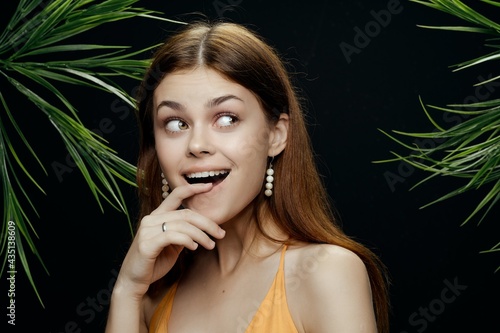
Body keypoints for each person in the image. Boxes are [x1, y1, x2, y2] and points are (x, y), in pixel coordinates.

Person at [105, 20, 390, 333]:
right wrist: (127, 290)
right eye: (175, 124)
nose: (197, 145)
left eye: (226, 119)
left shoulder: (326, 273)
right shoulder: (151, 296)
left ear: (276, 135)